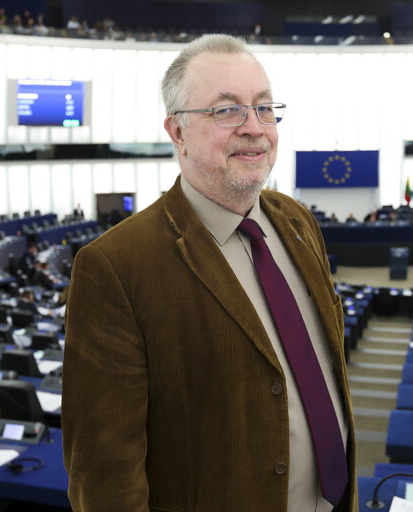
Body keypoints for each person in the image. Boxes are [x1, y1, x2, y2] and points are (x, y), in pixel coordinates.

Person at [62, 34, 355, 512]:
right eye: (227, 111)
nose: (255, 128)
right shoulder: (114, 267)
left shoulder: (298, 221)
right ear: (177, 132)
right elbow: (105, 478)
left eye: (263, 108)